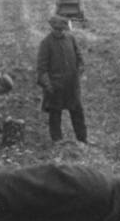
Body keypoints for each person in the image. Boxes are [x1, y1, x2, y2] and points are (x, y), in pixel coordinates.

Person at [36, 14, 88, 144]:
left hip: (72, 85)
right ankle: (57, 141)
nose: (60, 32)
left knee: (77, 112)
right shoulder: (46, 43)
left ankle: (82, 139)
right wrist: (48, 86)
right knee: (55, 115)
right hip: (56, 86)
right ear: (52, 28)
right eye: (57, 29)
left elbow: (79, 56)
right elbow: (41, 69)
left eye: (62, 30)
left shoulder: (70, 39)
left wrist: (80, 70)